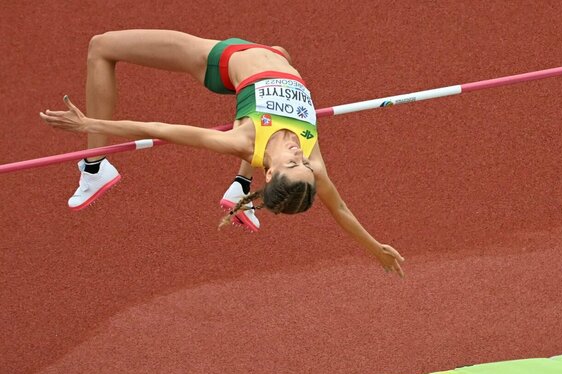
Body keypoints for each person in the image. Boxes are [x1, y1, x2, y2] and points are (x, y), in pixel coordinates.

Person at [40, 30, 405, 277]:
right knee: (283, 53)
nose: (300, 154)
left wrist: (90, 125)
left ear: (272, 173)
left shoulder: (242, 141)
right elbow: (339, 208)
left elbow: (160, 130)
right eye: (305, 163)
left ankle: (94, 166)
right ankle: (238, 184)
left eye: (294, 163)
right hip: (272, 55)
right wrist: (375, 249)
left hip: (219, 61)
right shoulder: (312, 158)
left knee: (102, 46)